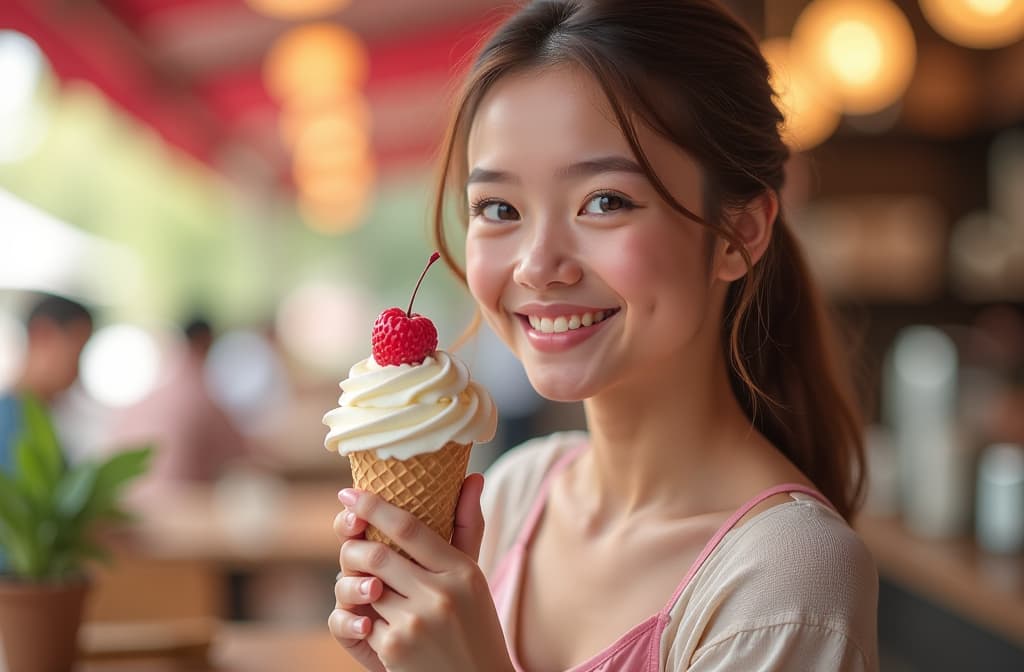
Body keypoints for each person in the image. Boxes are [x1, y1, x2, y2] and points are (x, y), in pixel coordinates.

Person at [328, 1, 878, 670]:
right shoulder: (513, 495)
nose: (536, 265)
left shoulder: (787, 581)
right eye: (499, 208)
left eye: (605, 201)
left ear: (740, 232)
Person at [107, 316, 248, 499]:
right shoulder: (200, 391)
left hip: (130, 502)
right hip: (180, 508)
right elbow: (239, 452)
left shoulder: (154, 382)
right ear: (206, 340)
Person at [0, 293, 93, 473]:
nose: (78, 370)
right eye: (77, 350)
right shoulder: (8, 423)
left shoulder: (51, 421)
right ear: (43, 334)